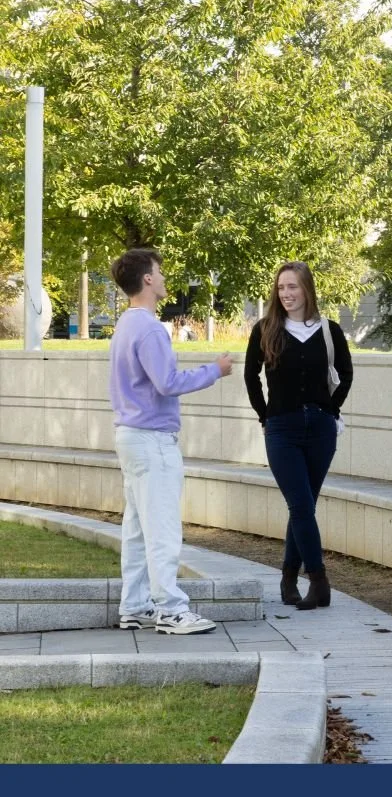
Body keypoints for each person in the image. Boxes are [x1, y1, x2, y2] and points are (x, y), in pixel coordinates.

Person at [108, 248, 233, 635]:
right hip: (152, 439)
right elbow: (168, 383)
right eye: (159, 272)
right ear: (147, 279)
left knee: (136, 528)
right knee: (161, 528)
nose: (163, 278)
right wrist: (215, 370)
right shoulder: (148, 328)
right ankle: (171, 610)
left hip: (130, 436)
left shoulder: (125, 325)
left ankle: (135, 605)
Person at [245, 261, 353, 609]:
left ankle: (289, 578)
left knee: (303, 505)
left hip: (321, 430)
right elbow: (250, 377)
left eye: (293, 287)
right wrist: (266, 416)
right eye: (281, 288)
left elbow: (346, 374)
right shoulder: (266, 329)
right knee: (301, 504)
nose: (286, 294)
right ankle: (319, 581)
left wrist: (329, 409)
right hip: (282, 429)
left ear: (307, 288)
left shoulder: (328, 329)